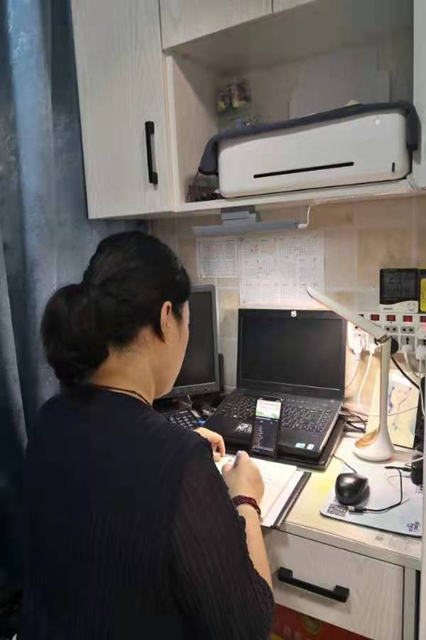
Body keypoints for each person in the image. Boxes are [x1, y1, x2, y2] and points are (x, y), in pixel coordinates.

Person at [21, 231, 274, 639]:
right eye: (188, 323)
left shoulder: (49, 420)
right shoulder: (182, 463)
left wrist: (175, 443)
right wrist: (245, 499)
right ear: (166, 318)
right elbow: (250, 629)